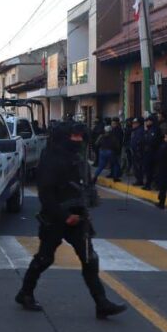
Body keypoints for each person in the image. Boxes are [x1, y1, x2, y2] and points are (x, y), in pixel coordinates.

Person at [15, 122, 127, 319]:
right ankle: (25, 293)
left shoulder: (77, 157)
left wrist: (85, 206)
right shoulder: (50, 159)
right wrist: (64, 216)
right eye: (74, 136)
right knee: (45, 258)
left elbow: (83, 185)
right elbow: (46, 194)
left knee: (89, 259)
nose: (78, 140)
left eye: (80, 136)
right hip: (55, 218)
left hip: (79, 217)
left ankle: (101, 302)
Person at [141, 116, 161, 190]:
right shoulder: (148, 130)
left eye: (148, 121)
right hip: (147, 153)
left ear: (152, 121)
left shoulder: (155, 129)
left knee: (155, 170)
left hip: (154, 153)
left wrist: (147, 145)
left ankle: (156, 185)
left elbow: (153, 141)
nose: (146, 122)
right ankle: (148, 184)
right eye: (146, 121)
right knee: (148, 170)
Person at [130, 117, 145, 185]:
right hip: (134, 151)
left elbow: (140, 141)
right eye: (133, 123)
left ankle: (139, 180)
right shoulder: (135, 130)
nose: (133, 124)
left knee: (138, 167)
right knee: (136, 167)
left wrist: (138, 150)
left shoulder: (140, 130)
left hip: (138, 152)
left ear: (139, 124)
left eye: (135, 123)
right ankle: (138, 179)